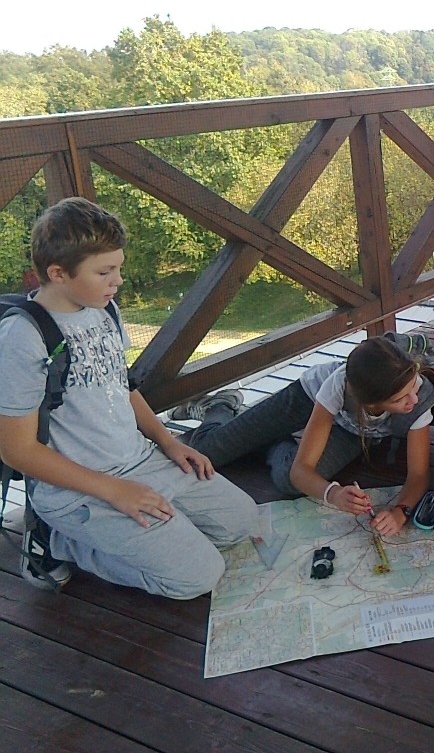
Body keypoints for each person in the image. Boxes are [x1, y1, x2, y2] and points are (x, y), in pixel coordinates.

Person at [0, 198, 257, 597]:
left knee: (241, 522)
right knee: (197, 577)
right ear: (58, 273)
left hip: (141, 461)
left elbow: (122, 386)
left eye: (118, 268)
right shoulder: (23, 338)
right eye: (104, 272)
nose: (117, 281)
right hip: (80, 490)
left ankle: (152, 534)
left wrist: (168, 442)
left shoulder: (105, 310)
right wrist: (114, 491)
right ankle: (55, 541)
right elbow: (17, 451)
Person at [174, 335, 434, 537]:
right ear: (370, 402)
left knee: (288, 480)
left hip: (353, 430)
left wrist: (400, 512)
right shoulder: (334, 387)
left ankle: (270, 440)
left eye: (413, 387)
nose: (414, 400)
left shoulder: (418, 400)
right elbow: (303, 470)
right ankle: (220, 406)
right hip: (307, 398)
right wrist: (334, 494)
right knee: (205, 452)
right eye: (400, 399)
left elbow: (418, 474)